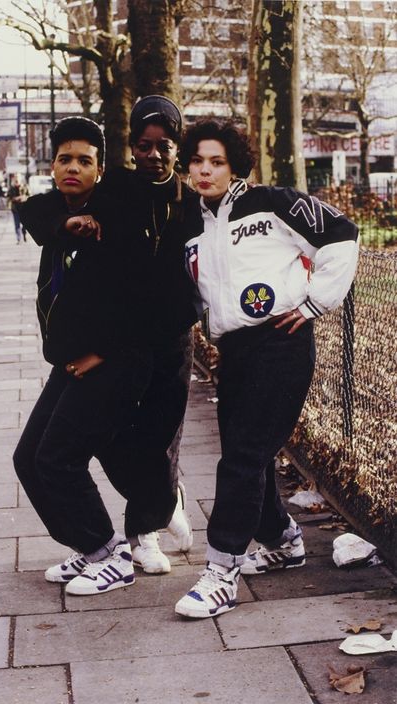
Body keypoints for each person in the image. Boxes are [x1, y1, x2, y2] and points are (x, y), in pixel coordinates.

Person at [174, 118, 359, 619]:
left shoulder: (272, 203)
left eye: (216, 161)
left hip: (282, 343)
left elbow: (342, 235)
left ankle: (220, 572)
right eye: (197, 160)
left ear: (234, 164)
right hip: (234, 350)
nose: (205, 170)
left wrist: (316, 303)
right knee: (244, 454)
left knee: (243, 457)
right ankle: (283, 541)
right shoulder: (193, 220)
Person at [45, 96, 199, 578]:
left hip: (170, 341)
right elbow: (53, 208)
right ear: (131, 146)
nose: (152, 155)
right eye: (143, 145)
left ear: (177, 148)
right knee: (112, 436)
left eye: (164, 146)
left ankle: (143, 533)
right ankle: (162, 499)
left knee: (158, 439)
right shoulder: (116, 189)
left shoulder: (192, 202)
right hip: (126, 341)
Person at [13, 116, 157, 596]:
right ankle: (85, 546)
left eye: (84, 160)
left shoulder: (114, 216)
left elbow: (144, 302)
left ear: (100, 169)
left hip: (116, 361)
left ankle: (109, 554)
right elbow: (34, 210)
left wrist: (101, 352)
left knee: (58, 458)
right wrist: (63, 223)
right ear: (52, 166)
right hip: (74, 361)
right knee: (27, 458)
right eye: (64, 159)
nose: (72, 167)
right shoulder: (58, 212)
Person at [7, 176, 29, 243]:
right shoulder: (11, 189)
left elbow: (29, 196)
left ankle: (24, 234)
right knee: (17, 225)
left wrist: (23, 197)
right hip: (15, 209)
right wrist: (15, 198)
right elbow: (9, 198)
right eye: (15, 180)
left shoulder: (25, 187)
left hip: (24, 209)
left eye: (18, 180)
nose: (17, 182)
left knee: (25, 224)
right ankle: (19, 238)